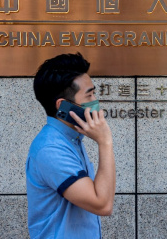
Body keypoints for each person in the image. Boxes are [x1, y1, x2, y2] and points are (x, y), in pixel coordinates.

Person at [26, 53, 115, 239]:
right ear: (64, 107)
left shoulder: (70, 139)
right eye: (89, 94)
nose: (96, 101)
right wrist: (105, 142)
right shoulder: (51, 149)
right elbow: (102, 204)